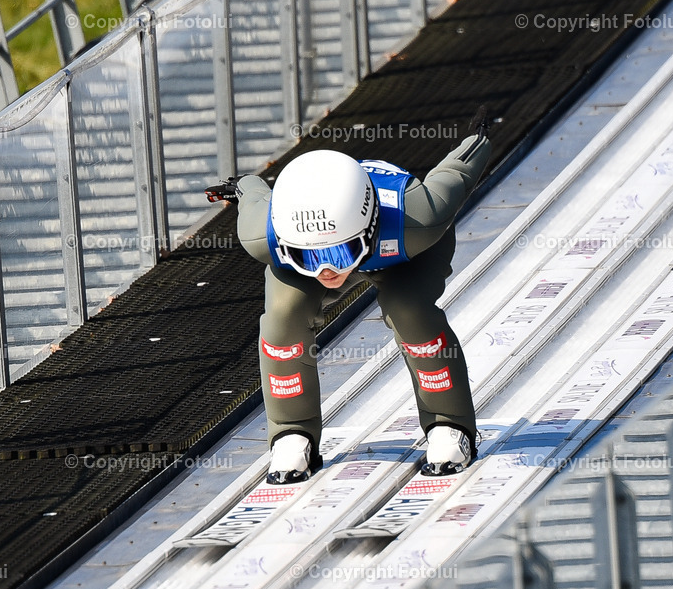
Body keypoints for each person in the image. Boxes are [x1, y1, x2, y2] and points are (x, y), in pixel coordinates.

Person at [207, 112, 492, 484]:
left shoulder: (418, 218)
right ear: (286, 243)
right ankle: (291, 432)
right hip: (366, 241)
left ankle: (449, 426)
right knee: (282, 317)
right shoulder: (265, 236)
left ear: (369, 228)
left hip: (403, 251)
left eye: (338, 255)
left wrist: (478, 139)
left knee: (411, 310)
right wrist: (244, 184)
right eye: (310, 257)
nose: (327, 273)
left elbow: (454, 174)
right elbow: (255, 195)